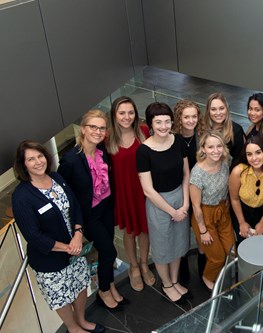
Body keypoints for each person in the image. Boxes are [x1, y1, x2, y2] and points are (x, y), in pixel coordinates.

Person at [12, 140, 104, 333]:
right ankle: (73, 328)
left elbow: (75, 206)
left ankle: (81, 320)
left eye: (40, 156)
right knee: (61, 297)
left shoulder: (56, 178)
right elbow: (34, 236)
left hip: (76, 250)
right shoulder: (21, 196)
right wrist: (67, 248)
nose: (38, 162)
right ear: (23, 164)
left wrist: (78, 234)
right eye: (31, 159)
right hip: (51, 260)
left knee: (80, 286)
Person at [58, 110, 126, 312]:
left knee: (109, 247)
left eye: (101, 128)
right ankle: (103, 290)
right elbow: (66, 193)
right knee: (108, 251)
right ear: (83, 129)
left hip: (106, 206)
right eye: (93, 127)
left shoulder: (102, 150)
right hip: (89, 215)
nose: (98, 131)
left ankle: (110, 284)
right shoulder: (70, 160)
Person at [136, 102, 191, 305]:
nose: (164, 126)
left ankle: (175, 280)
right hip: (158, 203)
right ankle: (166, 284)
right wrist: (172, 211)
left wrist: (185, 204)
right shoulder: (143, 151)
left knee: (178, 242)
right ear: (150, 124)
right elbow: (147, 190)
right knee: (162, 247)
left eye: (167, 121)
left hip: (180, 196)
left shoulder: (177, 141)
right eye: (158, 122)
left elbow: (186, 173)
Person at [106, 96, 156, 292]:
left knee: (145, 229)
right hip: (123, 192)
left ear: (135, 114)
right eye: (121, 113)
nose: (126, 117)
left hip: (143, 190)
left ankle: (144, 263)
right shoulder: (107, 137)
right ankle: (133, 267)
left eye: (130, 112)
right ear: (114, 115)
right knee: (129, 231)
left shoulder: (143, 132)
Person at [189, 131, 236, 291]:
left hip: (223, 211)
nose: (215, 151)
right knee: (217, 258)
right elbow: (196, 206)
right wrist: (203, 231)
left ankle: (222, 276)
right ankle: (207, 277)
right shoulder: (197, 174)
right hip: (205, 216)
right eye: (210, 147)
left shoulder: (225, 161)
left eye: (219, 146)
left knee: (232, 251)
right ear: (203, 148)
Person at [172, 99, 206, 283]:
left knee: (202, 230)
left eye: (194, 116)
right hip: (180, 193)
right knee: (182, 233)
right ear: (179, 118)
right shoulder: (172, 139)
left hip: (200, 193)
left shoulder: (202, 137)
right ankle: (182, 273)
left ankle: (203, 270)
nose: (191, 120)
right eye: (186, 117)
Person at [229, 135, 263, 244]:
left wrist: (262, 223)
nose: (254, 158)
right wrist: (242, 222)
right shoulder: (238, 172)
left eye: (258, 152)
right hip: (243, 212)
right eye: (249, 154)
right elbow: (234, 199)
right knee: (246, 247)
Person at [204, 92, 245, 168]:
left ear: (227, 109)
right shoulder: (202, 127)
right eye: (213, 109)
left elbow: (238, 161)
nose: (218, 113)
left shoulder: (236, 130)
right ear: (208, 111)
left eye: (221, 108)